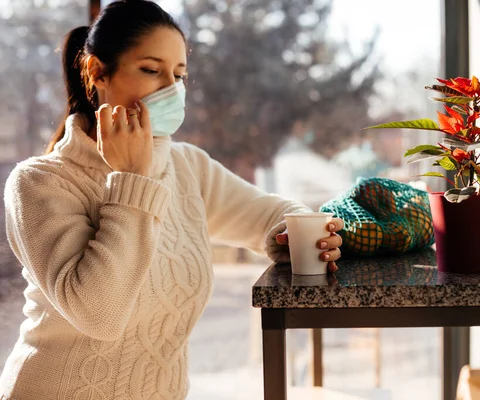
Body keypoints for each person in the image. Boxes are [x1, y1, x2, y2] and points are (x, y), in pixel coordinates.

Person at [0, 1, 343, 398]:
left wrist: (300, 233)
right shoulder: (39, 183)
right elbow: (100, 314)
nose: (171, 89)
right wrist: (131, 177)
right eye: (151, 70)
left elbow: (272, 213)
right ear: (97, 72)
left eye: (179, 75)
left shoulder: (186, 166)